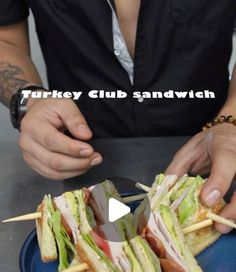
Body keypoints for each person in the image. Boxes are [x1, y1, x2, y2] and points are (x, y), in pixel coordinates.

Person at [0, 1, 235, 233]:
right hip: (75, 163)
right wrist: (30, 102)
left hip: (216, 158)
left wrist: (229, 123)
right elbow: (5, 39)